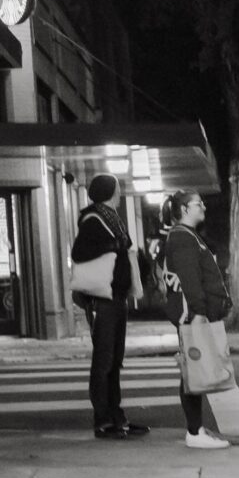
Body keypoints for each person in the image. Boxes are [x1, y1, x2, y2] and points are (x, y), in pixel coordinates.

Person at [71, 173, 149, 439]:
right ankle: (103, 420)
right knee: (104, 361)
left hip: (116, 297)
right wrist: (116, 245)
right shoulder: (93, 218)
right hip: (102, 299)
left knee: (114, 360)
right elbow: (79, 252)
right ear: (108, 191)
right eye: (117, 188)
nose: (120, 192)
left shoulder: (110, 216)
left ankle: (117, 417)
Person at [158, 191, 232, 449]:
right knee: (193, 371)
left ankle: (196, 428)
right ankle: (194, 431)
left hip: (194, 314)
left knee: (195, 370)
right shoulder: (182, 237)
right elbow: (190, 277)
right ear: (184, 209)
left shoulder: (186, 236)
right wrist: (199, 312)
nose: (203, 207)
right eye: (198, 204)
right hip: (192, 315)